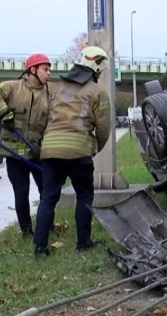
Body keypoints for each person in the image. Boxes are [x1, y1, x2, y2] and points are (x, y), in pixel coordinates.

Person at [33, 46, 112, 257]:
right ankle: (83, 243)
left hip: (50, 151)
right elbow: (104, 127)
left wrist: (44, 143)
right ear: (96, 69)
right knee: (84, 195)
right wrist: (95, 147)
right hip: (79, 153)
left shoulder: (57, 89)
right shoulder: (97, 92)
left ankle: (40, 248)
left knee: (48, 198)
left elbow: (45, 117)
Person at [0, 53, 52, 236]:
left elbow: (50, 124)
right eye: (45, 69)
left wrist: (44, 146)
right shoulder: (13, 87)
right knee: (21, 193)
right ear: (32, 70)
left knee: (47, 191)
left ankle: (47, 226)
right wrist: (5, 114)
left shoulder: (48, 95)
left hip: (37, 153)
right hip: (14, 154)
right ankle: (27, 231)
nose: (49, 73)